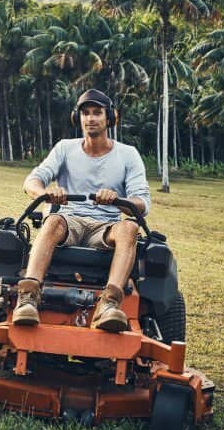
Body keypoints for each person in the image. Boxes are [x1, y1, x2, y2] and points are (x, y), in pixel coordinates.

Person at [13, 88, 151, 332]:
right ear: (78, 118)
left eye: (97, 113)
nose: (91, 119)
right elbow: (32, 180)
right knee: (53, 220)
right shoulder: (65, 148)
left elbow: (142, 203)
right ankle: (28, 298)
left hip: (105, 228)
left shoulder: (128, 155)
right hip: (69, 221)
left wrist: (117, 200)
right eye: (85, 113)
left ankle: (109, 304)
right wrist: (45, 193)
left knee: (130, 227)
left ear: (110, 117)